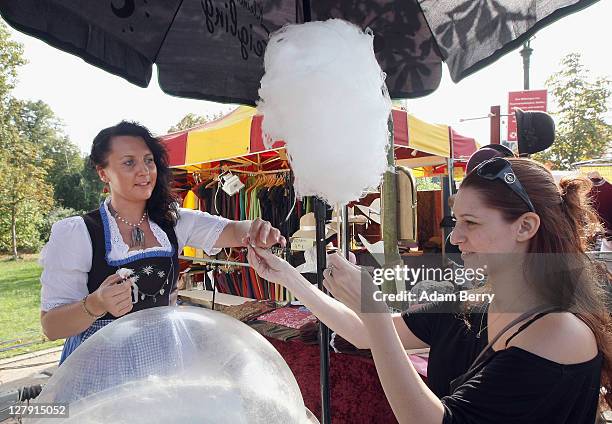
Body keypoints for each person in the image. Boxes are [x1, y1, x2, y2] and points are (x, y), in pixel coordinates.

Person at [248, 157, 611, 423]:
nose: (455, 237)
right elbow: (363, 333)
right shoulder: (473, 305)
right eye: (456, 222)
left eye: (471, 222)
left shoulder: (559, 332)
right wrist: (289, 278)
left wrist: (373, 307)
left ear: (525, 226)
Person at [40, 121, 285, 364]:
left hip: (163, 361)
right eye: (129, 162)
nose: (144, 171)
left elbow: (231, 230)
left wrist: (256, 229)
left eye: (149, 160)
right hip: (101, 370)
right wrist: (96, 304)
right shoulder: (77, 233)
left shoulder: (172, 221)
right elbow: (51, 326)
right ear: (103, 173)